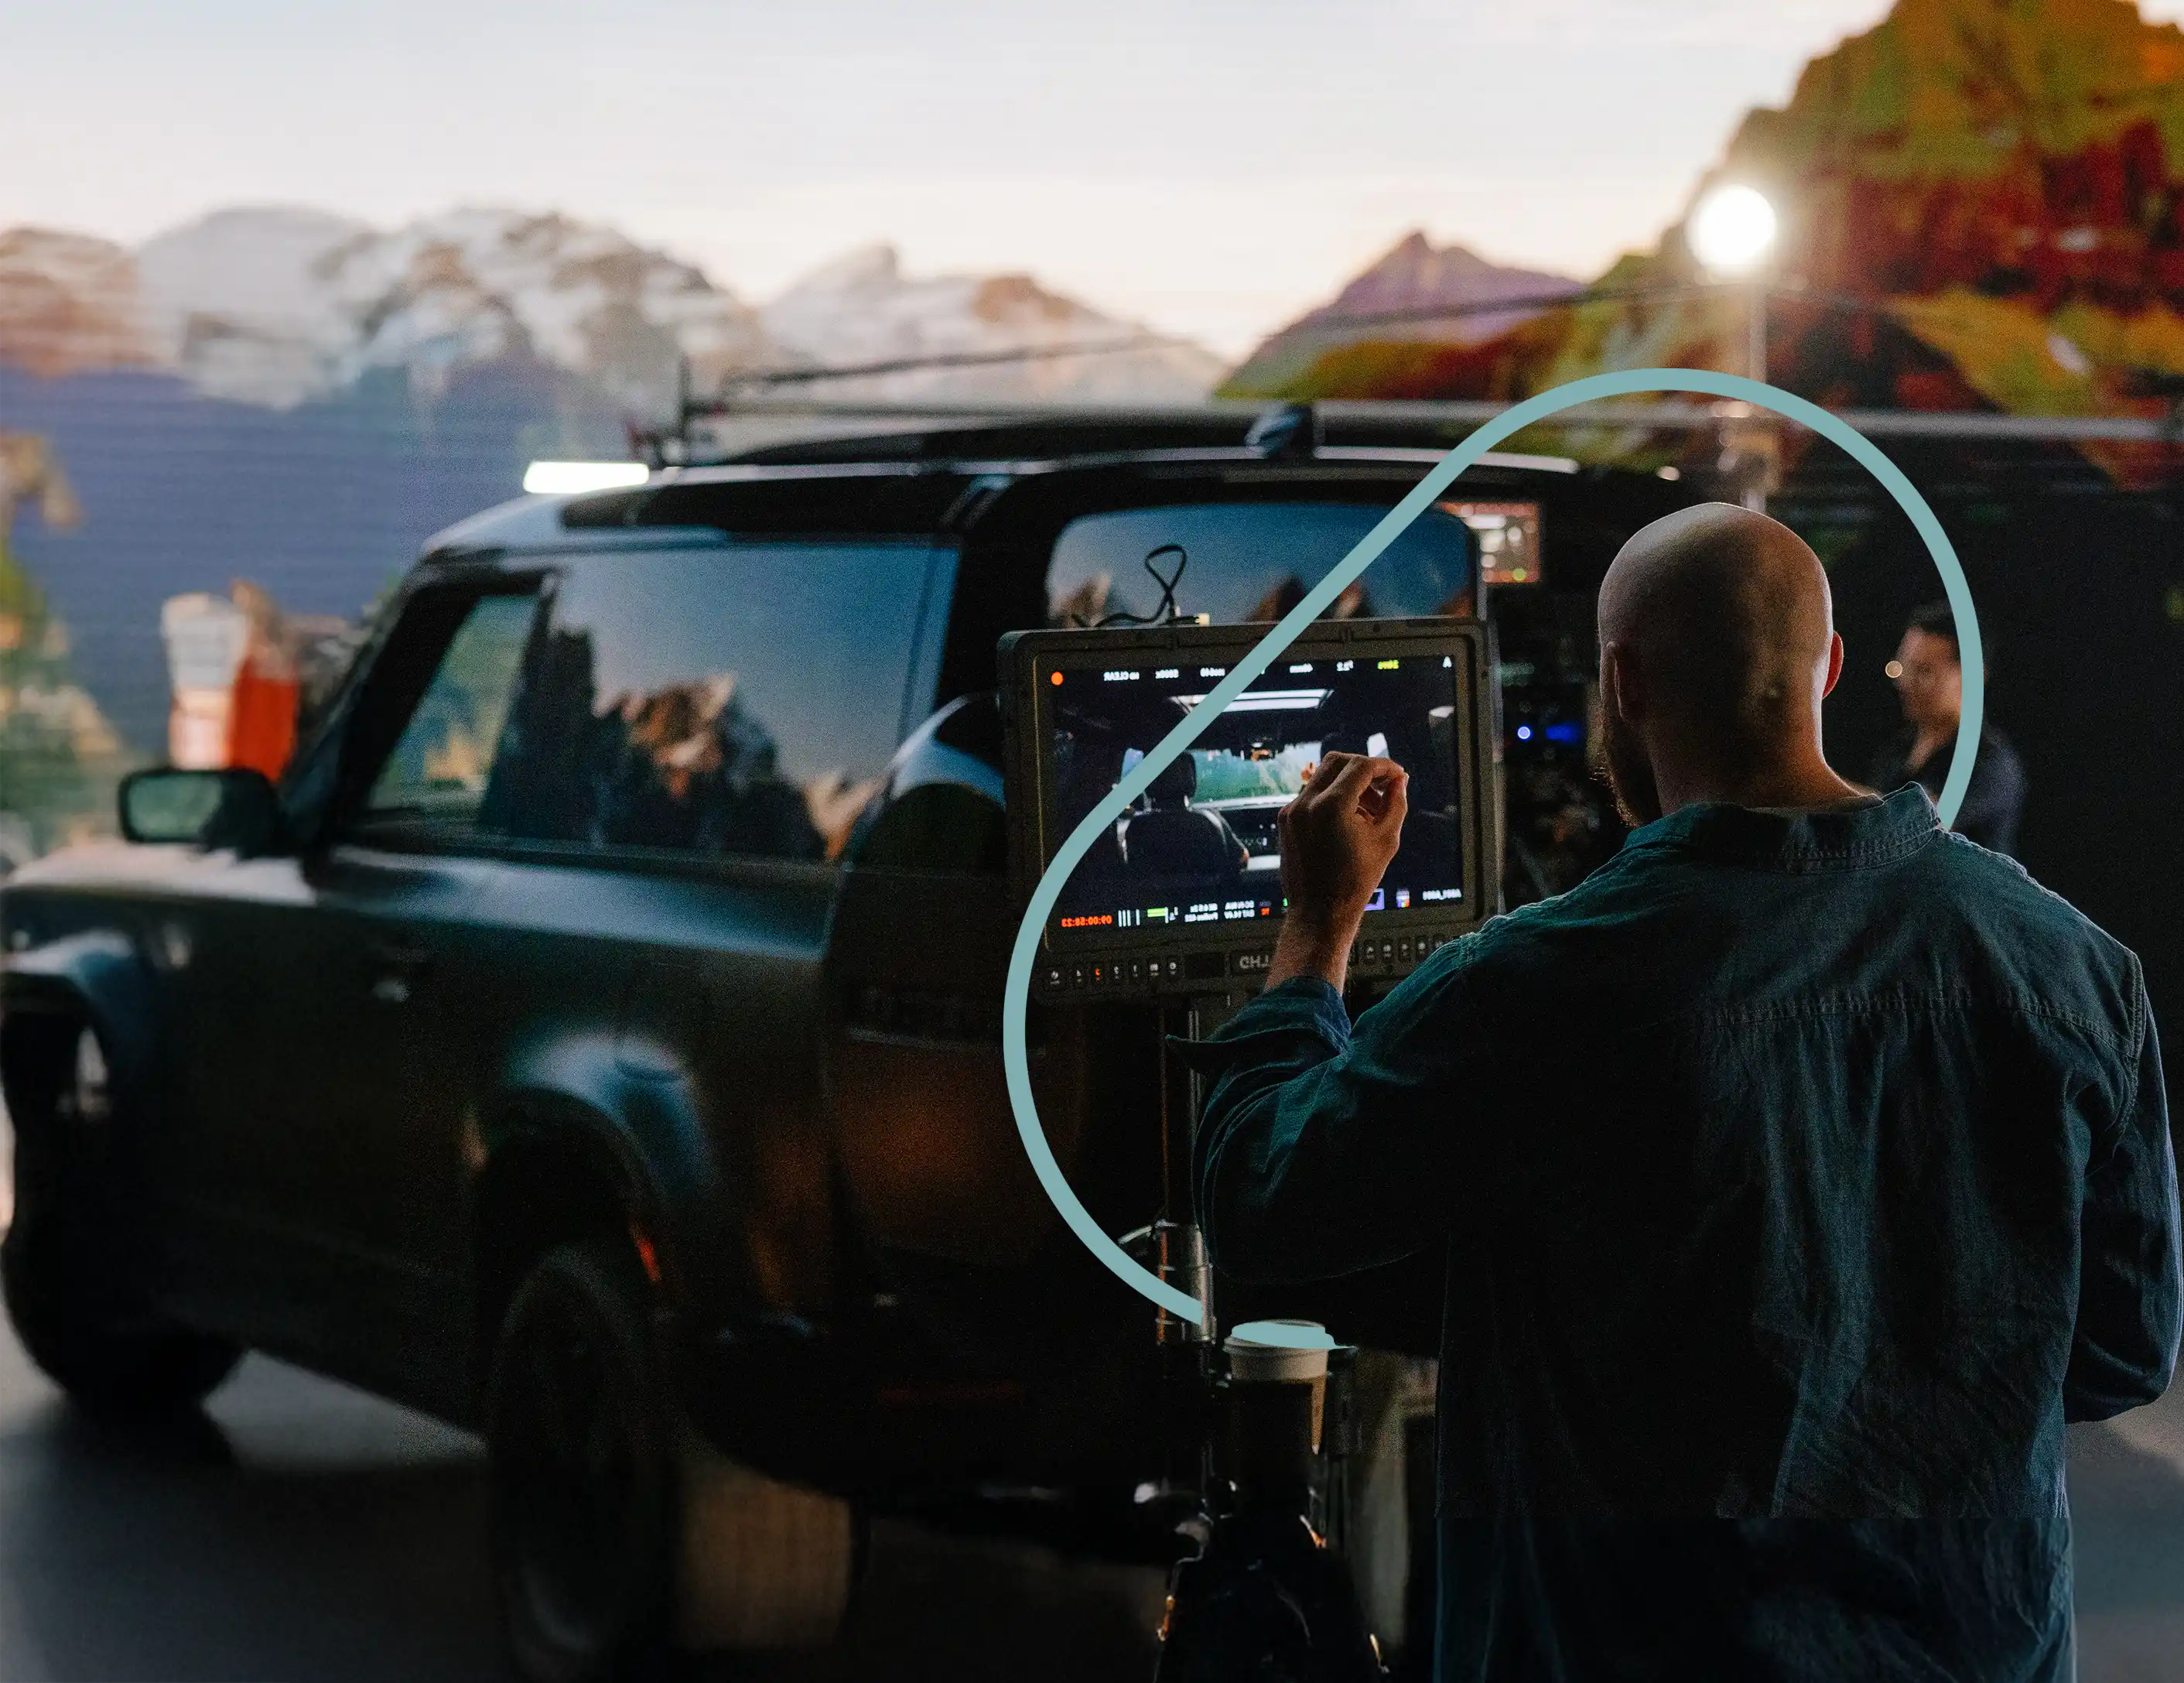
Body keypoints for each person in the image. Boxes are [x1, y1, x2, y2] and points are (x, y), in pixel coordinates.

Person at [1188, 503, 2179, 1681]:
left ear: (1620, 678)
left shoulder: (1539, 979)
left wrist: (1318, 918)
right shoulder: (2072, 970)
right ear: (1825, 666)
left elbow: (1259, 1192)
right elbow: (2120, 1349)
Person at [1868, 600, 2025, 855]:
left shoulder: (1989, 762)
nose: (1905, 683)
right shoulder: (1896, 750)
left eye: (1924, 672)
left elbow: (1920, 824)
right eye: (1902, 668)